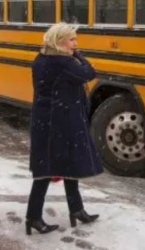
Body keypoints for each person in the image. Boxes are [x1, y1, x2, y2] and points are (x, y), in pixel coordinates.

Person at [26, 22, 103, 235]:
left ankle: (75, 210)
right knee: (51, 169)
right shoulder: (64, 62)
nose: (75, 44)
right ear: (60, 42)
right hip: (61, 121)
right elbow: (89, 72)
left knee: (55, 166)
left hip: (47, 120)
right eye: (72, 40)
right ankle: (34, 217)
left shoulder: (41, 59)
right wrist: (78, 55)